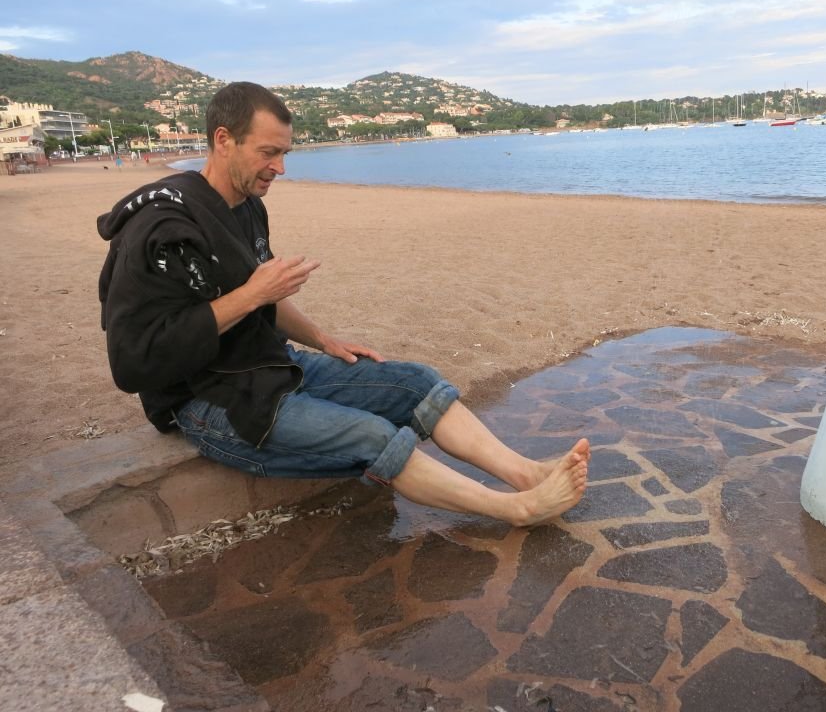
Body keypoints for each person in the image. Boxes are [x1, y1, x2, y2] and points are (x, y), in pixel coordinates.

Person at [97, 81, 589, 526]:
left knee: (416, 383)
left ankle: (526, 474)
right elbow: (134, 363)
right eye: (269, 152)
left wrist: (322, 340)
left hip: (269, 365)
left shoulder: (246, 207)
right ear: (223, 140)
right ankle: (517, 509)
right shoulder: (160, 227)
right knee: (371, 435)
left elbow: (262, 299)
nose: (280, 168)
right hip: (205, 401)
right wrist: (253, 294)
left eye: (284, 153)